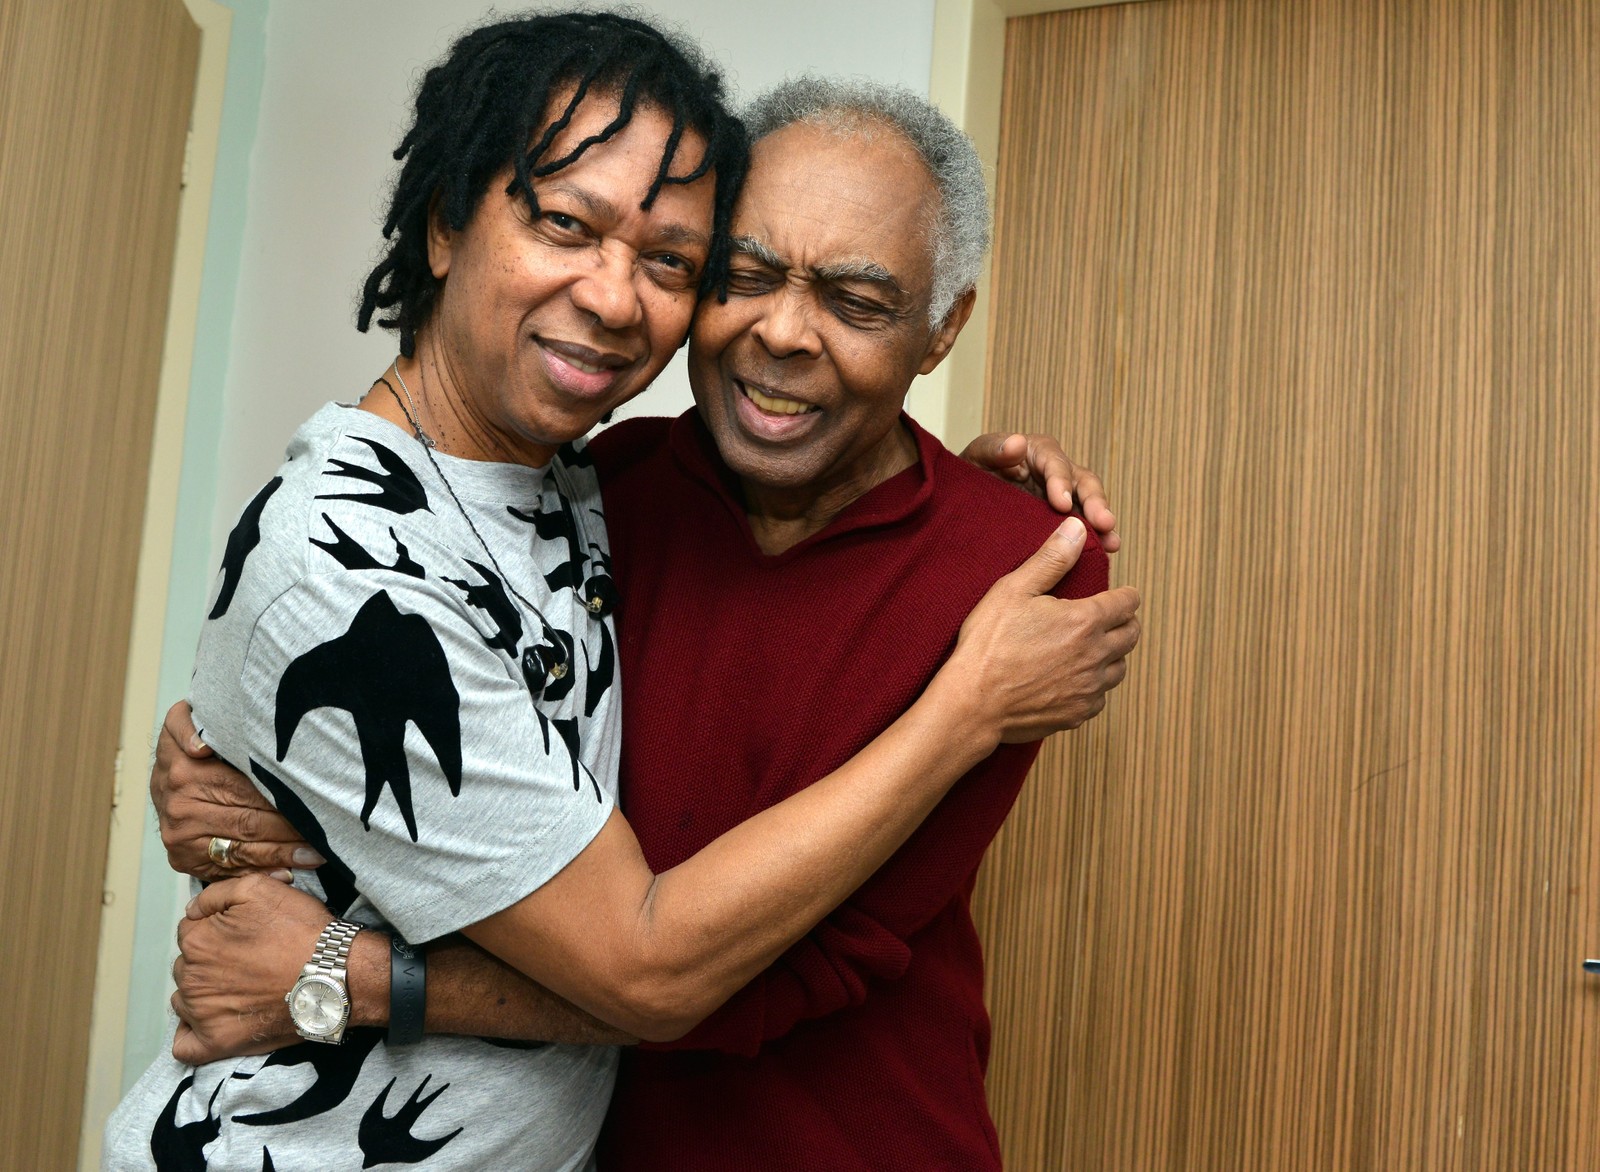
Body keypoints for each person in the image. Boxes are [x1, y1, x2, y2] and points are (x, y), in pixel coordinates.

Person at [108, 15, 1137, 1172]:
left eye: (855, 302)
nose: (783, 332)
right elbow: (622, 934)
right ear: (449, 223)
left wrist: (361, 977)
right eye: (741, 276)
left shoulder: (1023, 577)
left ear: (940, 329)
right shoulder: (617, 488)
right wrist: (256, 781)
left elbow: (786, 968)